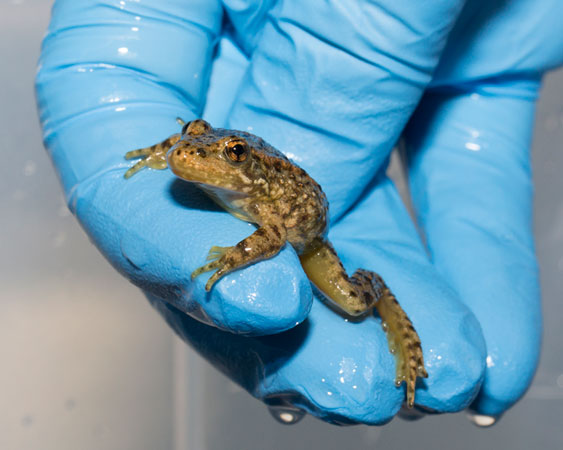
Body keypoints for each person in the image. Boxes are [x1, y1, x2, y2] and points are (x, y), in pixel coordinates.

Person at [35, 0, 563, 425]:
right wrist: (161, 150)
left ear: (246, 163)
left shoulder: (262, 195)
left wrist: (229, 256)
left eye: (230, 154)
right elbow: (193, 141)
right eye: (191, 141)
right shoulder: (197, 152)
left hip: (305, 235)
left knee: (354, 304)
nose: (189, 153)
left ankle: (398, 322)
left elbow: (271, 237)